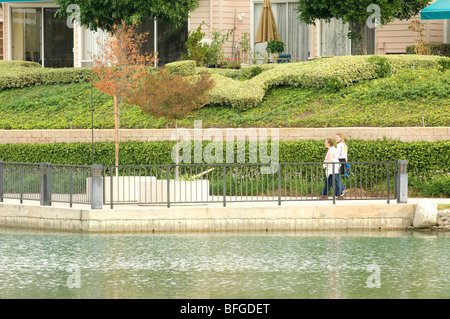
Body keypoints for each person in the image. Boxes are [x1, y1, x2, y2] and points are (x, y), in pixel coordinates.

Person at [335, 133, 348, 198]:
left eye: (337, 137)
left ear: (341, 138)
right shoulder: (345, 145)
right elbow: (345, 155)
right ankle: (339, 193)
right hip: (344, 161)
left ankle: (342, 190)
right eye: (336, 137)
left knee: (336, 176)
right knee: (337, 177)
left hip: (339, 161)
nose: (336, 139)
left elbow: (337, 154)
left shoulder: (339, 145)